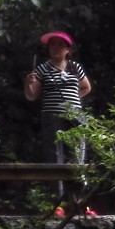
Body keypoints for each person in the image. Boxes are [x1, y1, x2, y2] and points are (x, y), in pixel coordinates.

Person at [23, 31, 92, 165]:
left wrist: (71, 99)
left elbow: (86, 87)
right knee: (55, 154)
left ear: (67, 49)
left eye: (60, 45)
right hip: (52, 116)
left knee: (76, 151)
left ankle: (79, 181)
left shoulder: (75, 67)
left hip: (74, 115)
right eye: (52, 45)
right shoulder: (43, 69)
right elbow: (31, 95)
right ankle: (57, 184)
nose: (56, 47)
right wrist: (27, 82)